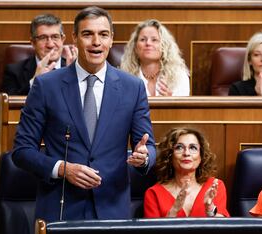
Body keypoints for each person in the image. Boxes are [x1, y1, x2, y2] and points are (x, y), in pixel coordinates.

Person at [11, 6, 156, 222]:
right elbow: (22, 151)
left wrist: (143, 158)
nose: (96, 42)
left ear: (111, 39)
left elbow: (149, 147)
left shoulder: (132, 87)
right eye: (88, 34)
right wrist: (62, 169)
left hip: (112, 211)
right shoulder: (46, 86)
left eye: (103, 34)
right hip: (60, 210)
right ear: (75, 38)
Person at [144, 127, 229, 217]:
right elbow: (153, 230)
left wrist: (209, 207)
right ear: (169, 156)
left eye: (193, 148)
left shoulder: (214, 186)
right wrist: (174, 209)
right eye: (179, 147)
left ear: (201, 156)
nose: (186, 153)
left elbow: (223, 228)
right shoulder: (154, 193)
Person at [1, 13, 78, 95]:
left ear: (62, 39)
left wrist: (74, 75)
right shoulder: (14, 71)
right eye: (43, 38)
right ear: (33, 43)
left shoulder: (74, 68)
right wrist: (35, 82)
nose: (50, 45)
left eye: (55, 37)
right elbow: (11, 105)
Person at [120, 19, 190, 96]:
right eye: (143, 39)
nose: (148, 43)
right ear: (135, 48)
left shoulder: (179, 75)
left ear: (165, 46)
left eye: (154, 40)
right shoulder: (123, 77)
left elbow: (183, 107)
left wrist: (171, 102)